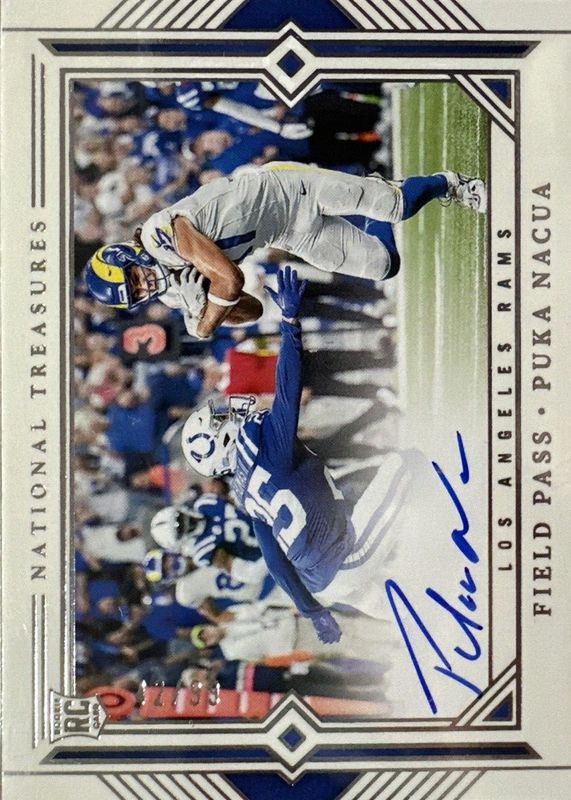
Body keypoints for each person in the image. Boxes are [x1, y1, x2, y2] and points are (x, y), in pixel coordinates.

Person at [180, 267, 413, 644]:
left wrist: (313, 610)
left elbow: (276, 564)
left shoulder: (243, 493)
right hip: (346, 556)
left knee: (417, 608)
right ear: (221, 438)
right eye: (220, 419)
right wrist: (290, 323)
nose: (228, 411)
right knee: (409, 465)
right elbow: (288, 388)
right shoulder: (259, 442)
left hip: (323, 583)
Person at [84, 163, 486, 338]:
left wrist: (203, 323)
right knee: (384, 264)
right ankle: (378, 187)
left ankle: (450, 183)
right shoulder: (174, 295)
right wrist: (206, 309)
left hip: (286, 188)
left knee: (397, 207)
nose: (144, 285)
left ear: (128, 256)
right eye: (136, 293)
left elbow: (230, 279)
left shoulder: (159, 235)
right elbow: (253, 309)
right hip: (286, 233)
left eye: (134, 278)